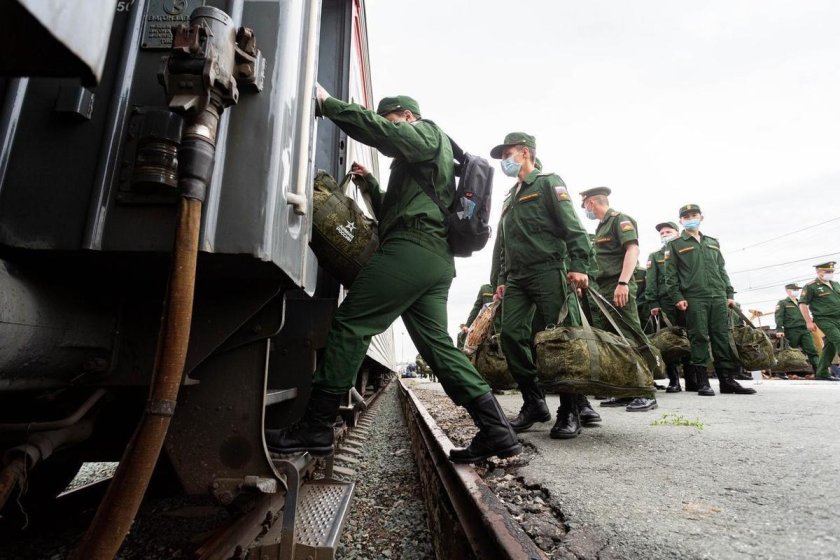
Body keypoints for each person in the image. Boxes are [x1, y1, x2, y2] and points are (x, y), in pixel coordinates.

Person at [266, 91, 522, 463]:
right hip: (432, 259)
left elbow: (385, 136)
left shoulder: (426, 132)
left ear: (405, 115)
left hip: (411, 249)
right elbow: (393, 210)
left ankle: (315, 428)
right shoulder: (422, 163)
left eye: (390, 120)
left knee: (352, 323)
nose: (387, 126)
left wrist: (329, 105)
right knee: (438, 348)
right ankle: (498, 432)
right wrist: (370, 184)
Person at [490, 132, 592, 439]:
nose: (503, 162)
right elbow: (504, 244)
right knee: (511, 335)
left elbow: (573, 226)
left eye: (507, 155)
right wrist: (500, 279)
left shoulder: (548, 182)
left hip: (549, 270)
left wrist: (578, 265)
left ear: (524, 153)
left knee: (561, 340)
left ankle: (570, 409)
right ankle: (534, 402)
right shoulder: (511, 196)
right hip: (518, 278)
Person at [663, 204, 756, 396]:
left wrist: (729, 294)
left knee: (722, 337)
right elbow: (670, 276)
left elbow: (721, 269)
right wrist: (677, 297)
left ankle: (727, 381)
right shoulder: (675, 244)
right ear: (681, 220)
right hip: (694, 297)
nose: (690, 218)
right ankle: (703, 381)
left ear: (701, 217)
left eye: (694, 215)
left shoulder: (713, 242)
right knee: (699, 337)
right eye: (686, 216)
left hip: (718, 296)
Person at [580, 187, 657, 412]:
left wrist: (623, 282)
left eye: (584, 205)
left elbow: (632, 250)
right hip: (604, 288)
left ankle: (646, 392)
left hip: (618, 285)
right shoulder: (602, 225)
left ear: (591, 203)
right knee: (615, 339)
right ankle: (625, 391)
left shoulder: (620, 220)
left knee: (631, 334)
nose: (585, 209)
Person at [645, 221, 689, 392]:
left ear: (678, 232)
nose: (664, 235)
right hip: (666, 302)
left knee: (690, 337)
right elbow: (652, 281)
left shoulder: (687, 251)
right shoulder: (655, 256)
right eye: (662, 233)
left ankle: (693, 379)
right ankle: (674, 380)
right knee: (670, 341)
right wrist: (653, 302)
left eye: (668, 232)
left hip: (689, 298)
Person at [798, 262, 840, 382]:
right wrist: (808, 321)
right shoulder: (811, 286)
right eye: (827, 272)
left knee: (830, 345)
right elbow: (802, 304)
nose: (830, 274)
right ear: (818, 272)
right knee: (838, 339)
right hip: (824, 319)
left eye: (831, 271)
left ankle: (821, 373)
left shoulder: (836, 284)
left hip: (838, 318)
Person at [774, 283, 820, 375]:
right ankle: (780, 372)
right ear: (787, 291)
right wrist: (779, 329)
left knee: (812, 351)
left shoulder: (801, 303)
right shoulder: (783, 303)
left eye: (797, 290)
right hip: (791, 330)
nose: (796, 291)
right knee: (786, 352)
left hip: (804, 330)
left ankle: (820, 372)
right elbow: (779, 317)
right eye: (794, 289)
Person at [458, 283, 496, 350]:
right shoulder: (485, 289)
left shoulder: (510, 288)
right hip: (486, 326)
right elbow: (476, 308)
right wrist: (467, 325)